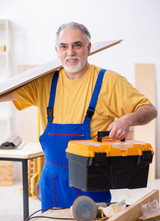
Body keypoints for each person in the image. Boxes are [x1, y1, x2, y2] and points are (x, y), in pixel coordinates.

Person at [0, 22, 157, 210]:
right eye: (64, 46)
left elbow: (150, 110)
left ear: (88, 48)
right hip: (52, 182)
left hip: (91, 182)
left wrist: (127, 120)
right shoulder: (43, 83)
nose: (70, 52)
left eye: (77, 45)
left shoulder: (108, 81)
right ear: (56, 50)